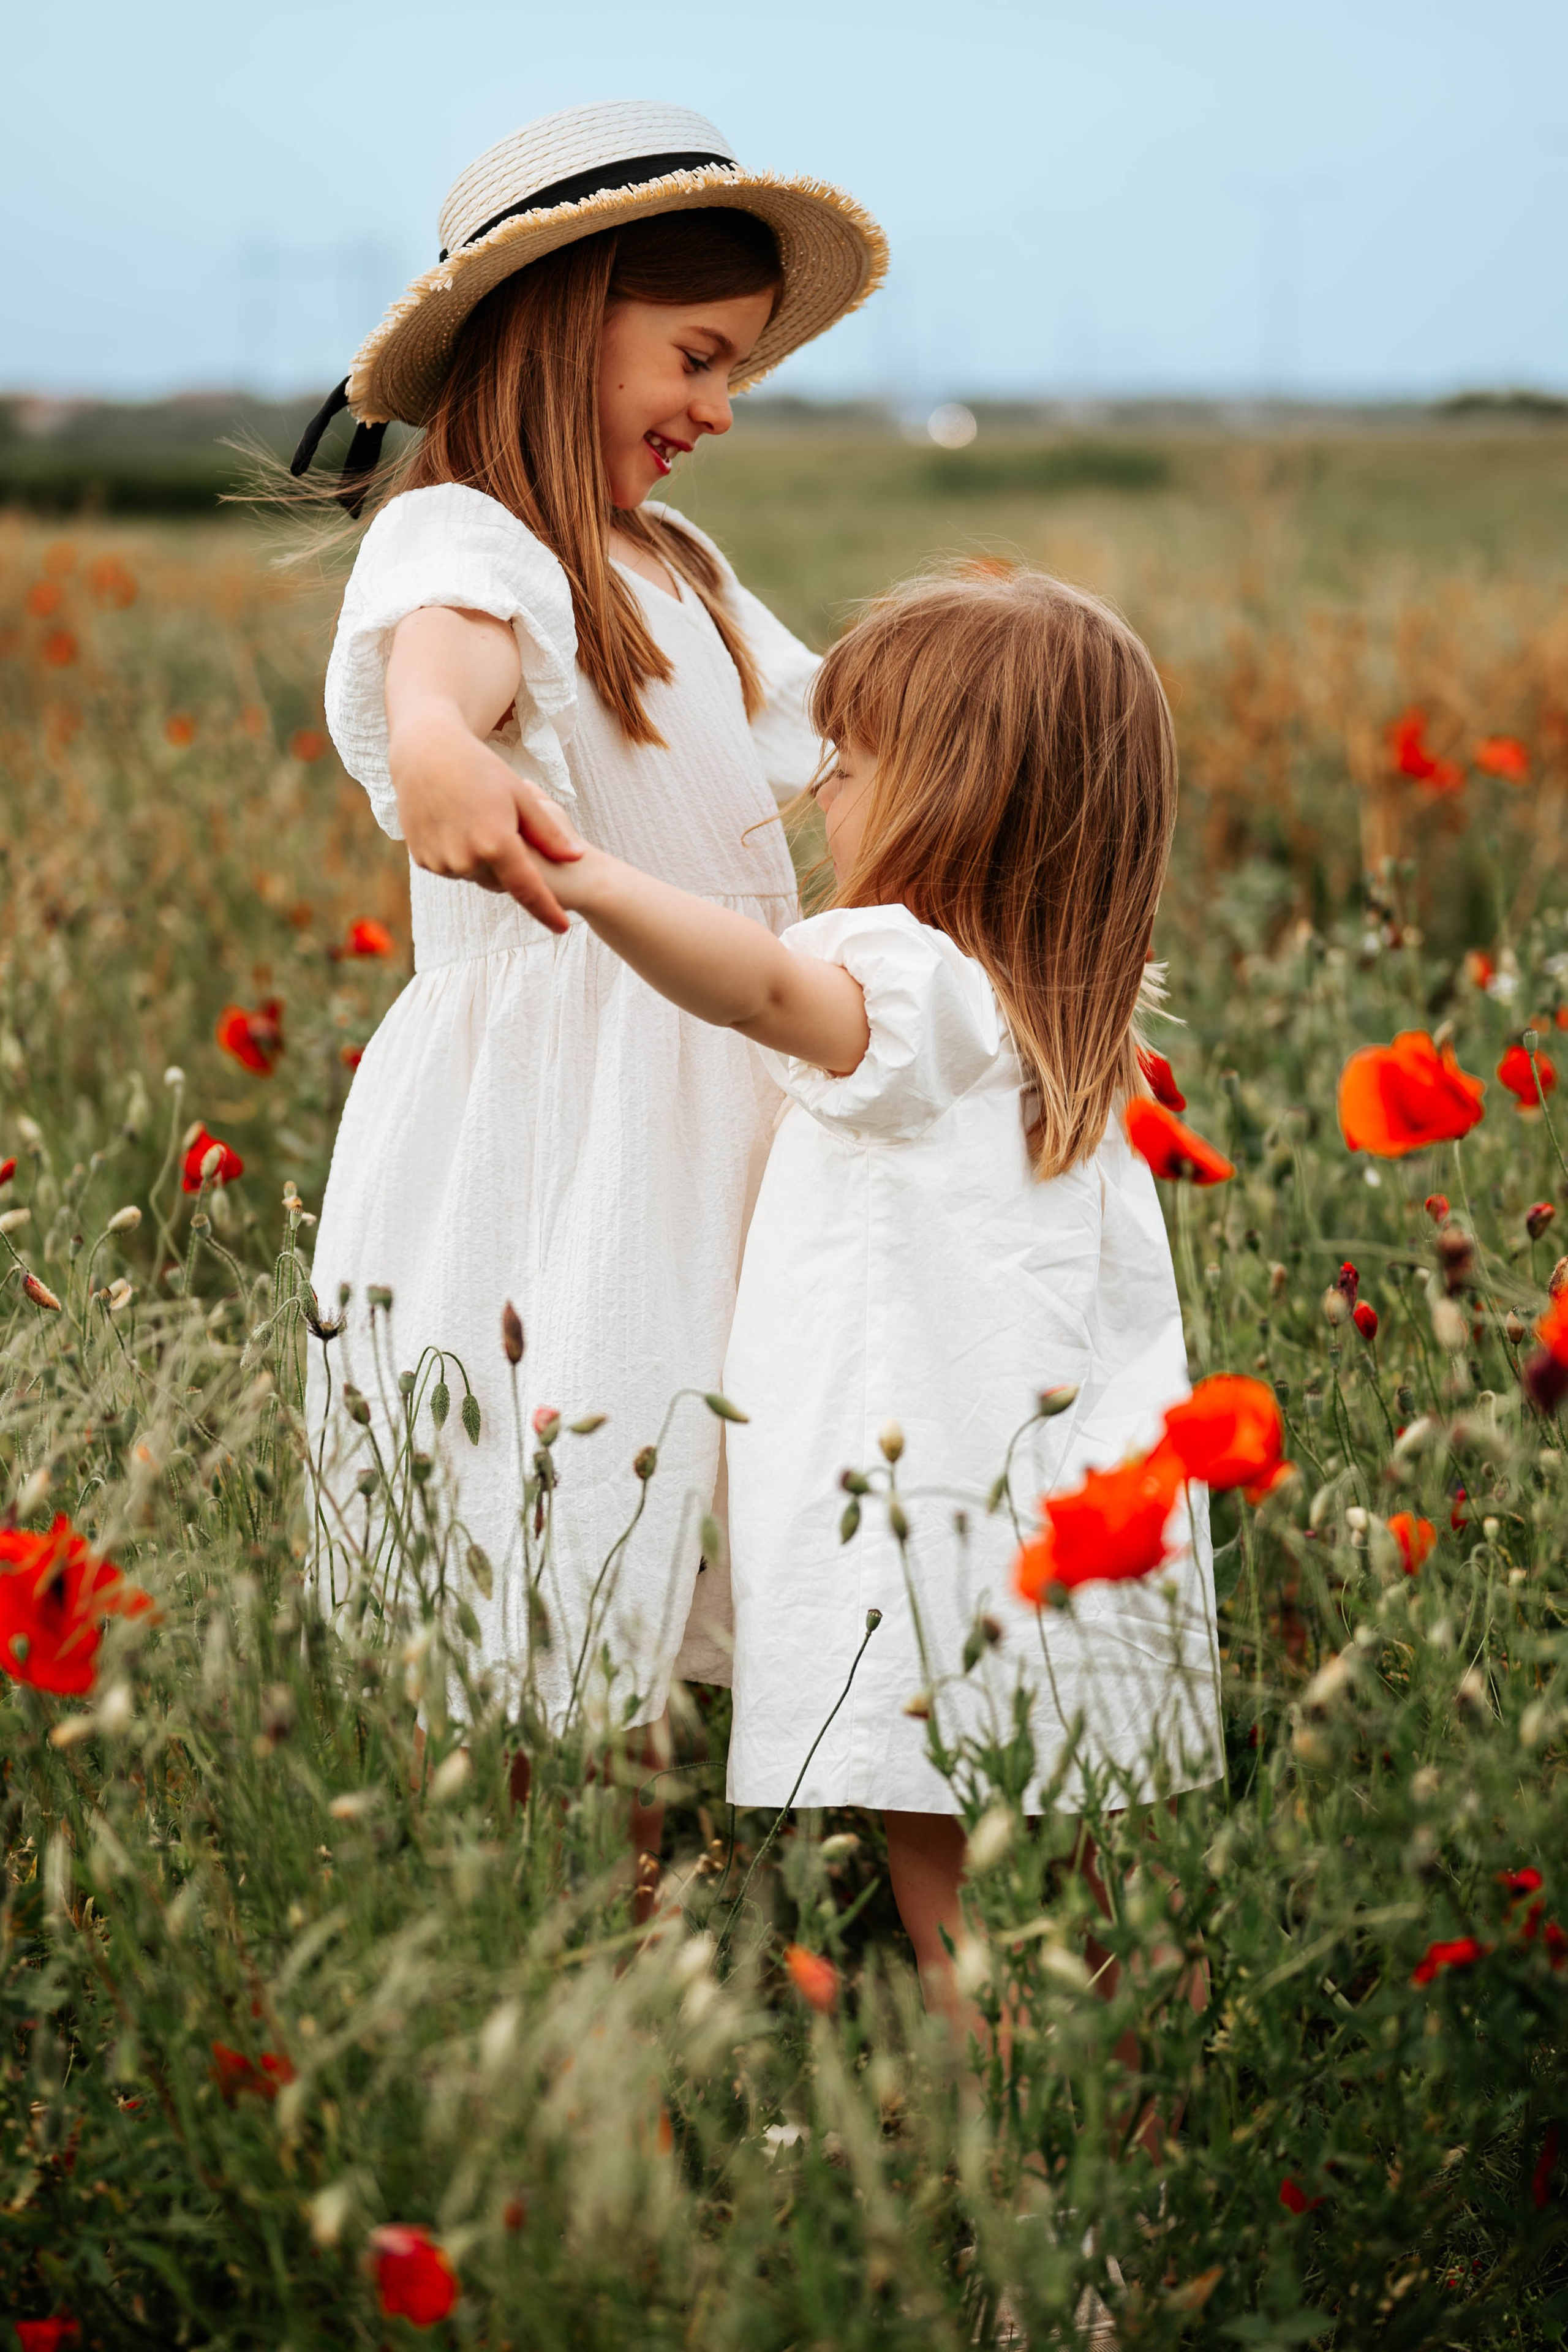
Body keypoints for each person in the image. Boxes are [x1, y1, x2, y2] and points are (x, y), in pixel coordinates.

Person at [511, 564, 1222, 2001]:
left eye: (847, 759)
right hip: (1079, 1529)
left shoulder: (901, 978)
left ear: (949, 796)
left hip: (936, 1539)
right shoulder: (1052, 1001)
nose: (815, 786)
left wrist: (580, 870)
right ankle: (1125, 2129)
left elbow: (763, 990)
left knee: (955, 1890)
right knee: (1075, 1897)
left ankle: (1028, 2167)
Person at [296, 104, 886, 1764]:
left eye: (736, 375)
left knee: (731, 1479)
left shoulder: (677, 562)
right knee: (586, 1502)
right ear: (568, 316)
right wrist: (434, 757)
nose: (715, 409)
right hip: (576, 1132)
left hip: (732, 1087)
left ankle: (730, 1858)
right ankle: (606, 1916)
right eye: (697, 357)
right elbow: (440, 674)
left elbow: (846, 733)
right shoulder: (473, 539)